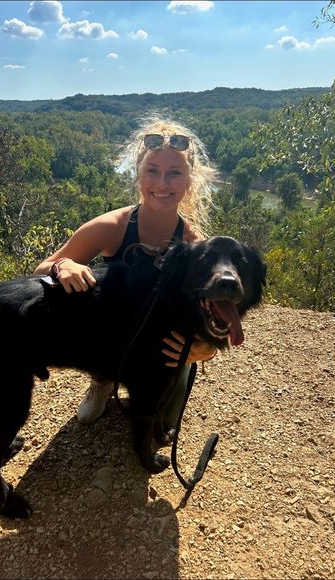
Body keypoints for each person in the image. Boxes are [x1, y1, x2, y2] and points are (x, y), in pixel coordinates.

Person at [34, 115, 218, 429]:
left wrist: (205, 349)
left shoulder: (195, 245)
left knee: (164, 424)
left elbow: (214, 316)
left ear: (189, 181)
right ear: (139, 174)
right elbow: (41, 269)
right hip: (113, 334)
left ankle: (172, 377)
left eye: (174, 173)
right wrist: (63, 266)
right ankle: (102, 380)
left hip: (165, 346)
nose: (162, 183)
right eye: (152, 170)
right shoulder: (112, 227)